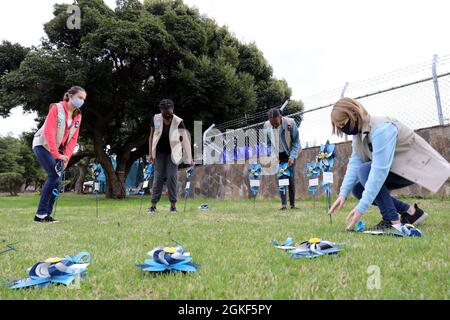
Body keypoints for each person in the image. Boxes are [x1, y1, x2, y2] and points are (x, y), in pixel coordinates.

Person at [328, 97, 450, 231]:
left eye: (343, 123)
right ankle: (411, 213)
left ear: (354, 114)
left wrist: (361, 209)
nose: (342, 129)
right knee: (358, 190)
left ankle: (392, 221)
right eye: (339, 127)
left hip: (416, 168)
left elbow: (378, 171)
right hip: (397, 169)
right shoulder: (358, 135)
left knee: (365, 171)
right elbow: (355, 163)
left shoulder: (381, 129)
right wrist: (343, 194)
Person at [32, 86, 86, 223]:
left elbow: (73, 139)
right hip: (42, 144)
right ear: (70, 95)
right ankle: (40, 214)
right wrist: (56, 155)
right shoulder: (57, 108)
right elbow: (49, 132)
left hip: (58, 151)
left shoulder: (78, 116)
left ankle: (46, 214)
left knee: (57, 179)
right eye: (79, 97)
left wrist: (66, 157)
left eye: (84, 99)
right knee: (54, 175)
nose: (81, 101)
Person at [148, 99, 193, 213]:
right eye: (164, 113)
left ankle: (173, 205)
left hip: (173, 153)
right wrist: (150, 153)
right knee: (158, 177)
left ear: (172, 110)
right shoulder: (156, 118)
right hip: (159, 153)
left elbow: (185, 140)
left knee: (171, 177)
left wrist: (190, 157)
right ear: (161, 111)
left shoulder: (178, 121)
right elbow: (151, 136)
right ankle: (153, 205)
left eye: (169, 113)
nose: (167, 115)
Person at [264, 108, 301, 210]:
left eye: (276, 123)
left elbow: (296, 142)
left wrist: (292, 157)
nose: (274, 126)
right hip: (277, 155)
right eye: (272, 124)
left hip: (289, 153)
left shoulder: (290, 123)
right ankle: (283, 205)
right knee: (281, 178)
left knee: (290, 178)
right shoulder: (267, 126)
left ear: (280, 117)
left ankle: (292, 205)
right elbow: (268, 144)